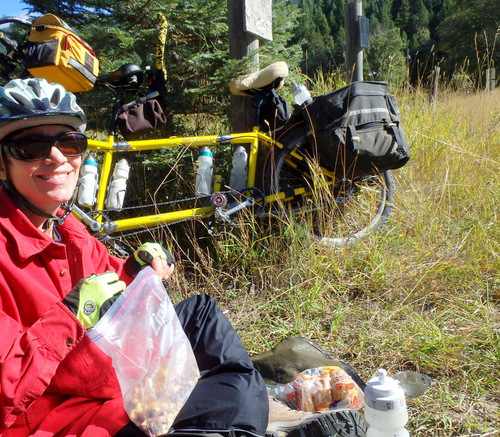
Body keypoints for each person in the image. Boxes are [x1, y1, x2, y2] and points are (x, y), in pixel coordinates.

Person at [0, 77, 366, 437]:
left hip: (108, 367)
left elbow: (106, 284)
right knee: (236, 396)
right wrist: (68, 317)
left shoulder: (64, 225)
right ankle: (242, 416)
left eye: (70, 142)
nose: (57, 157)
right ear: (2, 165)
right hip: (69, 412)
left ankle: (238, 413)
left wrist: (133, 270)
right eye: (29, 147)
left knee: (203, 314)